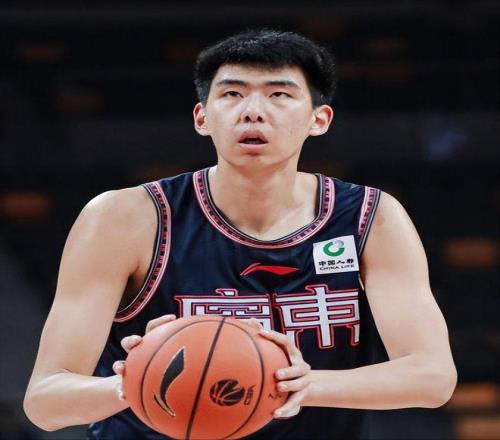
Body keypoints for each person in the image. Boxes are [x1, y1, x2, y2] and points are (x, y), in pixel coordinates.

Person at [23, 29, 457, 439]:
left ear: (319, 119)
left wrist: (298, 383)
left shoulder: (370, 217)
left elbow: (431, 376)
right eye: (232, 94)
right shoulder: (126, 218)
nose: (253, 111)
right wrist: (139, 380)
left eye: (279, 94)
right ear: (202, 117)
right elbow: (45, 401)